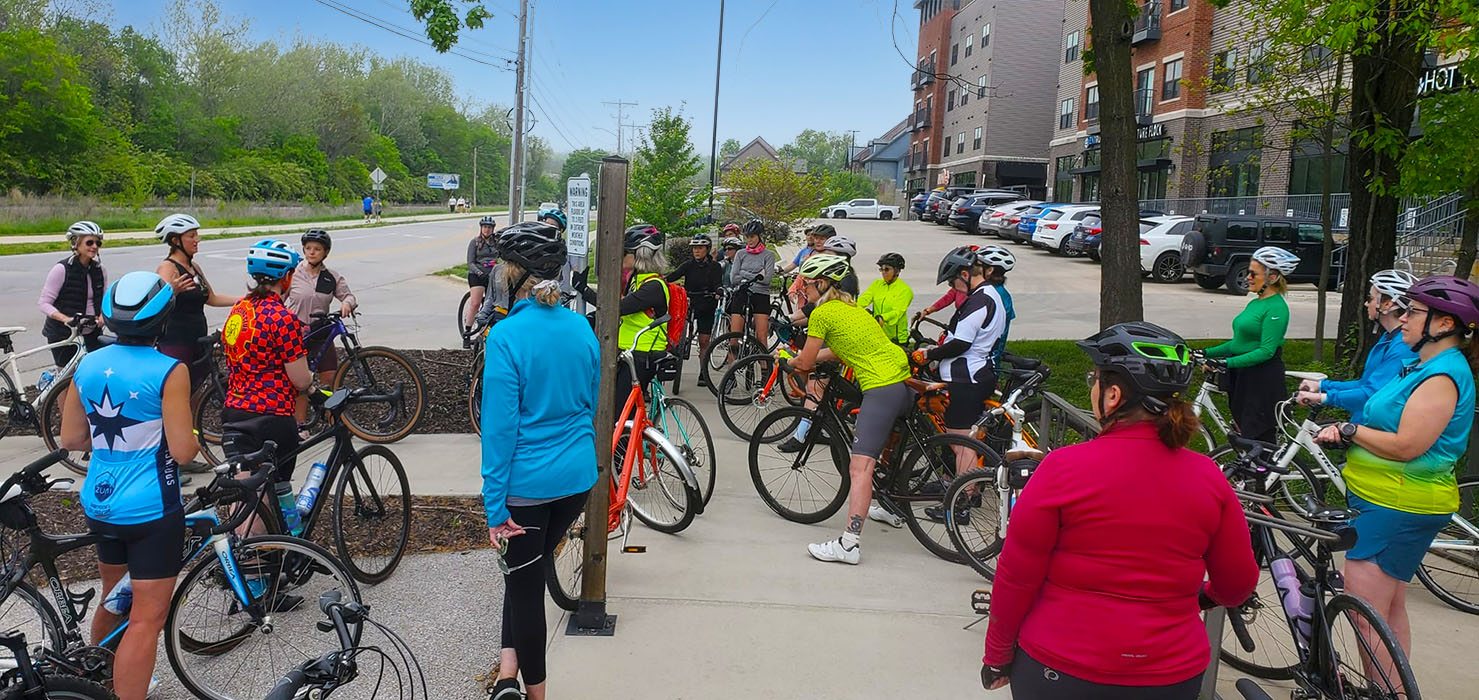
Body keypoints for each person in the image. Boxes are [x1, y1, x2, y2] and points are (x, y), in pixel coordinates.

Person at [981, 322, 1258, 698]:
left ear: (1113, 395)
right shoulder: (1208, 476)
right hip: (1170, 674)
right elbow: (1238, 583)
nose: (1091, 386)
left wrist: (998, 655)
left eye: (1094, 379)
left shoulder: (1063, 468)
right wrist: (1197, 597)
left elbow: (1017, 577)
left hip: (1061, 667)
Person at [1314, 275, 1478, 674]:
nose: (1403, 319)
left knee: (1366, 617)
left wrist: (1352, 430)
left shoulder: (1441, 377)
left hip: (1396, 505)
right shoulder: (1422, 365)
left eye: (1414, 312)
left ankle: (1384, 691)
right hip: (1388, 500)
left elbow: (1408, 445)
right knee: (1388, 611)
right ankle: (1396, 691)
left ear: (1443, 324)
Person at [60, 271, 197, 700]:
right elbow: (182, 452)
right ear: (163, 319)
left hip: (99, 502)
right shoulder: (170, 370)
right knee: (145, 619)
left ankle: (90, 682)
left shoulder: (88, 365)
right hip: (151, 508)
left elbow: (72, 439)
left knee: (114, 596)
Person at [480, 224, 599, 700]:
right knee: (522, 571)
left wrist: (494, 506)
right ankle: (508, 670)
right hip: (576, 480)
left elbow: (499, 431)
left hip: (527, 486)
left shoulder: (507, 336)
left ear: (513, 277)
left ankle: (536, 695)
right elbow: (589, 403)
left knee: (526, 588)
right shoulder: (580, 327)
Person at [788, 253, 915, 565]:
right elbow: (842, 348)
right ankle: (889, 504)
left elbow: (804, 363)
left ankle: (849, 544)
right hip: (902, 383)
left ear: (821, 283)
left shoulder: (822, 314)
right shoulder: (852, 309)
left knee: (860, 468)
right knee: (886, 450)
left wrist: (788, 362)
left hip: (880, 387)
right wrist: (814, 358)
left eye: (806, 283)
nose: (804, 289)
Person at [221, 240, 313, 566]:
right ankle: (274, 563)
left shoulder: (238, 312)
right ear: (285, 277)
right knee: (277, 488)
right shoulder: (282, 319)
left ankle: (243, 564)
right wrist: (312, 384)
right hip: (272, 415)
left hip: (235, 412)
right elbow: (300, 379)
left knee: (245, 490)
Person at [909, 247, 1007, 521]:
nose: (953, 287)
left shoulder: (979, 302)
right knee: (961, 440)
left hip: (968, 378)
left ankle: (962, 500)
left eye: (953, 281)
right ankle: (960, 489)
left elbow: (961, 342)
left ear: (966, 274)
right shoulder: (987, 296)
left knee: (960, 442)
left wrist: (928, 354)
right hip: (973, 375)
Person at [1201, 246, 1297, 443]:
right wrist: (1204, 352)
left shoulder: (1277, 308)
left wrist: (1226, 363)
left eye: (1253, 273)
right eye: (1248, 272)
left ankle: (1263, 473)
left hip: (1261, 380)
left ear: (1272, 277)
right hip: (1244, 375)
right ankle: (1249, 473)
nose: (1248, 277)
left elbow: (1266, 351)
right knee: (1243, 434)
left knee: (1258, 438)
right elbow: (1238, 344)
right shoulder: (1255, 303)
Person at [1295, 269, 1418, 421]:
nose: (1366, 303)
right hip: (1366, 422)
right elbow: (1364, 384)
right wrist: (1322, 386)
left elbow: (1373, 394)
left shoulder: (1402, 346)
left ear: (1387, 304)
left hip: (1378, 429)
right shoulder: (1389, 337)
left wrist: (1323, 397)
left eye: (1370, 298)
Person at [154, 214, 241, 389]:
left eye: (196, 235)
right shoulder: (168, 268)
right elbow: (156, 305)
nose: (197, 240)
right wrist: (172, 291)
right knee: (178, 389)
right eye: (191, 235)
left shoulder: (195, 268)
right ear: (175, 240)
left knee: (196, 388)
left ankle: (193, 417)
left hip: (198, 337)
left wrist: (243, 300)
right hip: (176, 340)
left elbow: (212, 298)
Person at [284, 229, 357, 424]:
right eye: (308, 248)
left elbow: (348, 295)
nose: (312, 252)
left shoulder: (331, 277)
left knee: (329, 380)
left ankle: (331, 421)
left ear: (325, 252)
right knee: (300, 382)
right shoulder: (292, 274)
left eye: (317, 249)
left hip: (321, 333)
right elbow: (278, 300)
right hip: (297, 334)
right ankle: (300, 425)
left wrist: (347, 304)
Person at [615, 224, 670, 412]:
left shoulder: (653, 286)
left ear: (640, 254)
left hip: (643, 354)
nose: (621, 255)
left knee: (621, 413)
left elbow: (619, 308)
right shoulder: (636, 279)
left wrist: (585, 291)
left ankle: (633, 440)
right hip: (630, 351)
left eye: (625, 252)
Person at [38, 221, 107, 367]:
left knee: (94, 374)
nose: (94, 246)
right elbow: (44, 303)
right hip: (64, 334)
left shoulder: (100, 270)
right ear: (76, 243)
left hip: (91, 332)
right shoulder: (62, 269)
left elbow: (104, 300)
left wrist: (102, 316)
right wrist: (66, 319)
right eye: (89, 242)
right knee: (67, 378)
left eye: (98, 243)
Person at [666, 233, 725, 386]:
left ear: (707, 249)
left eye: (700, 248)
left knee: (704, 341)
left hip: (707, 304)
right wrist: (659, 280)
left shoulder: (715, 266)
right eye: (694, 248)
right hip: (690, 302)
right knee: (676, 331)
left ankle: (703, 372)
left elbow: (718, 283)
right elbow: (673, 276)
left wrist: (718, 291)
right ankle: (677, 350)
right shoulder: (688, 265)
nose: (696, 251)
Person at [724, 219, 779, 359]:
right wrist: (755, 276)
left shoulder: (768, 255)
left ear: (760, 236)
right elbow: (733, 278)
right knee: (734, 337)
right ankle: (730, 376)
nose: (749, 240)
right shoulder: (741, 254)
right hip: (741, 293)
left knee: (761, 337)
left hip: (761, 296)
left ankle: (764, 371)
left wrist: (743, 274)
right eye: (747, 237)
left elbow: (766, 280)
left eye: (753, 237)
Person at [857, 252, 913, 345]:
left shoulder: (905, 290)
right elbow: (864, 299)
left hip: (897, 339)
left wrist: (882, 317)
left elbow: (897, 312)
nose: (883, 273)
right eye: (881, 269)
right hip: (879, 334)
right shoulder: (877, 284)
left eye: (887, 269)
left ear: (897, 271)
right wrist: (851, 306)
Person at [979, 245, 1017, 363]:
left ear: (989, 270)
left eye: (979, 266)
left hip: (987, 357)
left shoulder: (995, 294)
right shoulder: (996, 290)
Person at [782, 224, 833, 308]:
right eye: (816, 238)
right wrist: (792, 289)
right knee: (796, 319)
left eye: (822, 239)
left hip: (825, 300)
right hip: (806, 297)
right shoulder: (808, 254)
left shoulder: (833, 259)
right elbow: (802, 275)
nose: (817, 241)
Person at [466, 216, 500, 331]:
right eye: (485, 227)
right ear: (481, 228)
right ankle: (467, 331)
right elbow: (470, 263)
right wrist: (479, 272)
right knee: (475, 303)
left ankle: (485, 331)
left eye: (489, 227)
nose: (487, 230)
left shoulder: (496, 243)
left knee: (491, 305)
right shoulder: (474, 242)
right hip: (477, 276)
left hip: (492, 276)